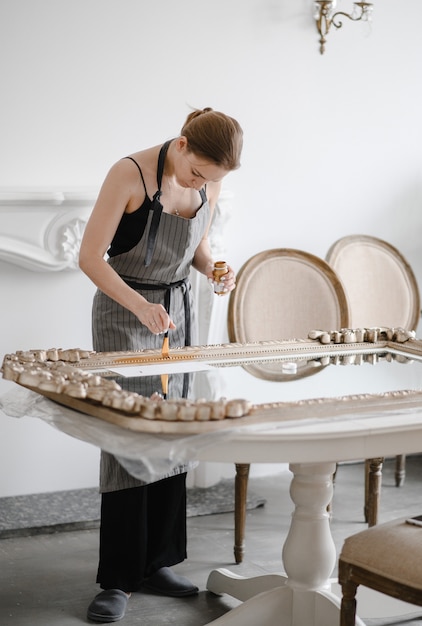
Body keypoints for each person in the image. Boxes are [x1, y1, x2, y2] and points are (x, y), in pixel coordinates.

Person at [79, 107, 243, 623]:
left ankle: (158, 562)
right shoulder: (128, 174)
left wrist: (216, 268)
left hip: (178, 313)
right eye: (196, 173)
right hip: (126, 312)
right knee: (130, 435)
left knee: (174, 429)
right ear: (181, 143)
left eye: (209, 181)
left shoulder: (207, 182)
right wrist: (140, 307)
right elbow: (89, 258)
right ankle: (119, 578)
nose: (199, 184)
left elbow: (196, 248)